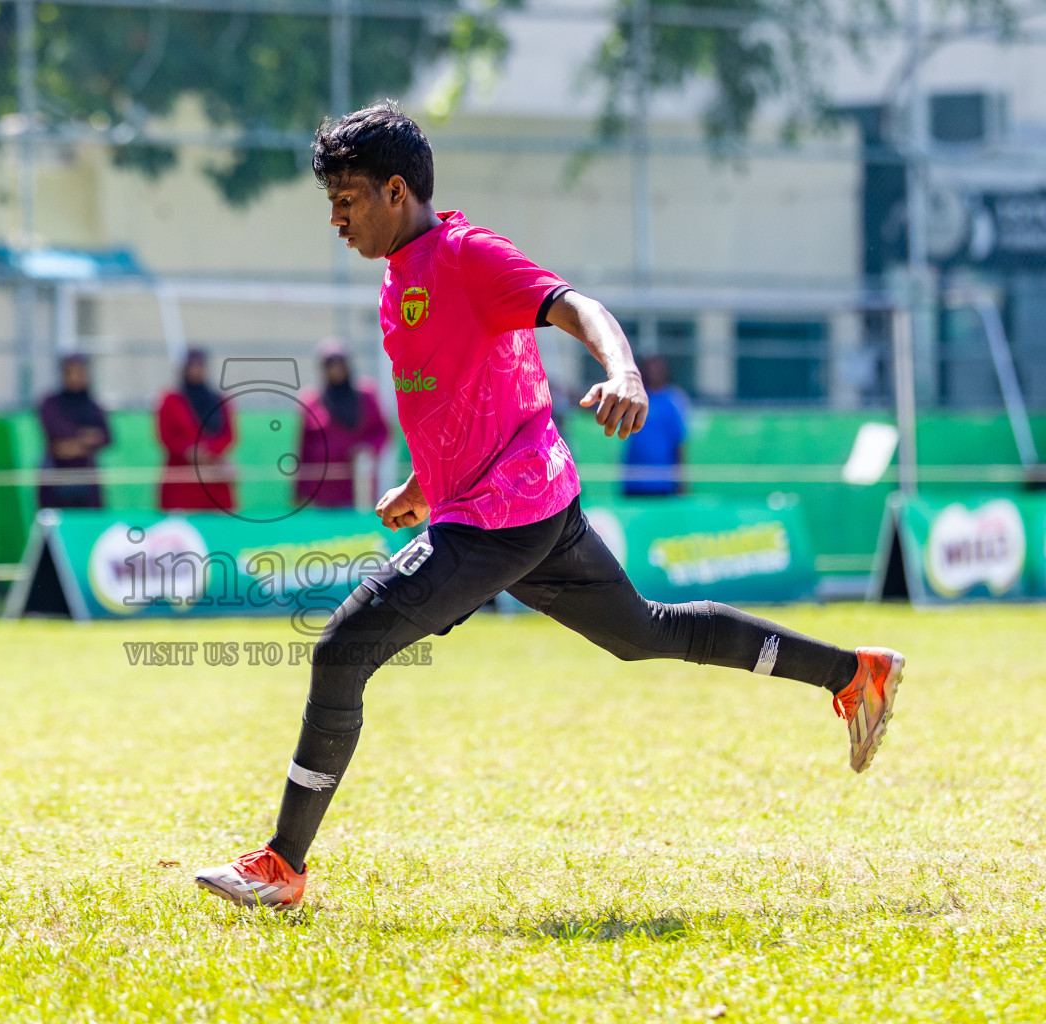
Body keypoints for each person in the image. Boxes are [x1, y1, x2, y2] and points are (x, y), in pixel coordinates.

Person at [194, 103, 905, 910]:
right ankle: (858, 674)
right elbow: (461, 393)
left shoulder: (467, 255)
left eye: (347, 199)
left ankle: (283, 866)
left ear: (396, 191)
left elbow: (577, 305)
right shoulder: (402, 275)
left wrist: (625, 372)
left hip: (504, 512)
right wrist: (423, 484)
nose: (336, 218)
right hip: (525, 506)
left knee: (341, 647)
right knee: (645, 634)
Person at [295, 344, 390, 509]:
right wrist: (299, 488)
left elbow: (381, 431)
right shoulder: (311, 400)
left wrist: (366, 449)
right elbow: (304, 448)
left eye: (339, 364)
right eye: (329, 365)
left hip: (358, 485)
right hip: (322, 489)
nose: (335, 370)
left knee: (358, 532)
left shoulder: (365, 395)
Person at [156, 349, 236, 512]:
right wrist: (188, 451)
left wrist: (210, 452)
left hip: (213, 478)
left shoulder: (218, 400)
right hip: (182, 478)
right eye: (192, 366)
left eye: (200, 366)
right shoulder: (171, 400)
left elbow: (229, 435)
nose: (197, 370)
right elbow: (166, 436)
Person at [37, 354, 112, 509]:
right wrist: (86, 439)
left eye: (79, 372)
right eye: (70, 373)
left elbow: (107, 437)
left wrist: (72, 445)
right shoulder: (51, 403)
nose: (75, 378)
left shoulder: (92, 406)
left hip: (87, 483)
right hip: (56, 481)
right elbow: (57, 433)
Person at [621, 354, 689, 497]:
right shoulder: (632, 398)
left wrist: (681, 481)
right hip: (634, 479)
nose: (654, 372)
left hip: (663, 482)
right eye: (650, 367)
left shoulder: (673, 400)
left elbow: (679, 444)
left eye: (658, 367)